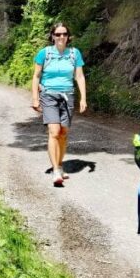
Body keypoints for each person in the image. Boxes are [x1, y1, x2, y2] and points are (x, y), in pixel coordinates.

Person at [30, 23, 87, 186]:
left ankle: (60, 165)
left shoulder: (74, 54)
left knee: (63, 132)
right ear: (52, 36)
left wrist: (83, 98)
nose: (61, 37)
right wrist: (35, 98)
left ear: (68, 36)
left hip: (67, 95)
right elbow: (36, 76)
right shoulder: (44, 53)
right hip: (48, 95)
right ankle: (55, 170)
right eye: (58, 34)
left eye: (64, 34)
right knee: (54, 131)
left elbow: (80, 77)